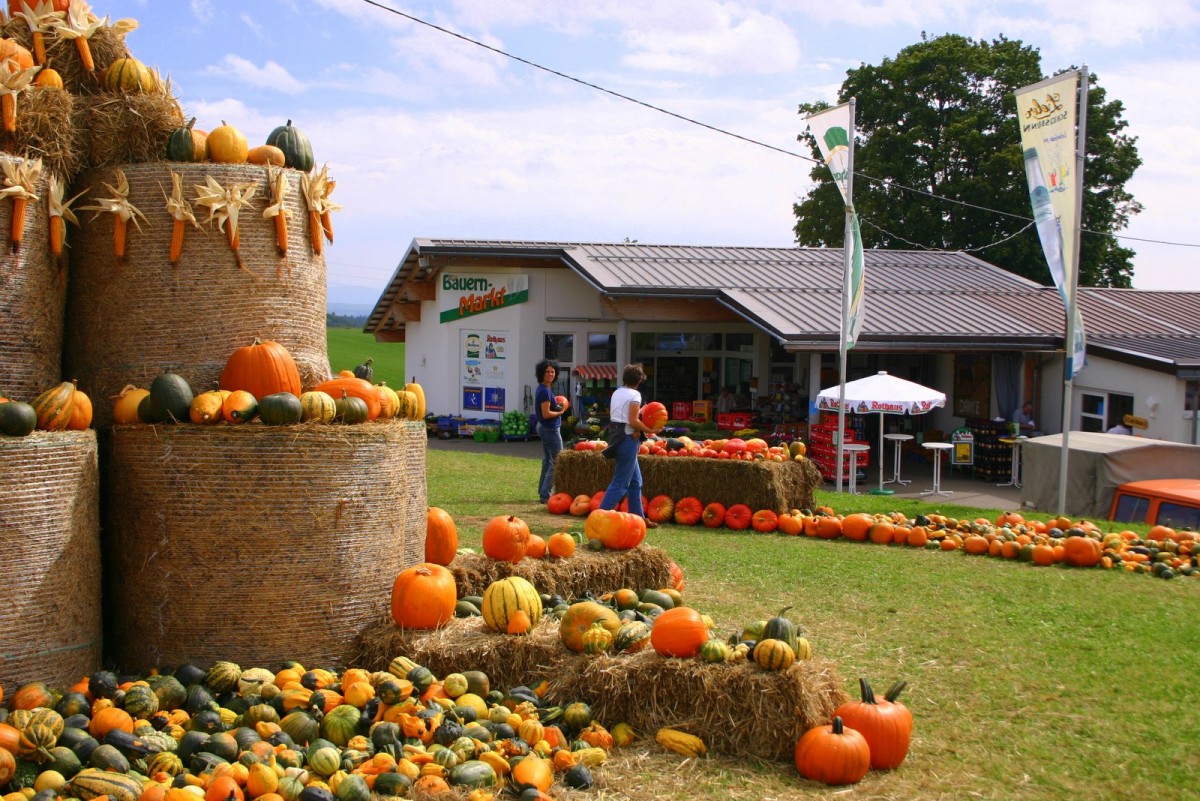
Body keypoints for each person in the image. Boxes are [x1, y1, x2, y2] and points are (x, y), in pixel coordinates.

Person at [600, 363, 661, 525]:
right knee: (620, 483)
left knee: (636, 482)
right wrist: (650, 429)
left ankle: (638, 519)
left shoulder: (617, 392)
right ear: (640, 380)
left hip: (617, 437)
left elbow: (623, 417)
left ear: (623, 378)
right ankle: (598, 516)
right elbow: (633, 420)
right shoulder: (635, 395)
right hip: (628, 440)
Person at [534, 360, 568, 504]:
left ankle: (543, 492)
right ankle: (546, 495)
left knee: (548, 461)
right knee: (556, 462)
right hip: (550, 429)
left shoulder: (544, 389)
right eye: (547, 371)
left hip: (544, 427)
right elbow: (546, 414)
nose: (550, 374)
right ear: (541, 373)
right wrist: (561, 411)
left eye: (552, 372)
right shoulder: (544, 391)